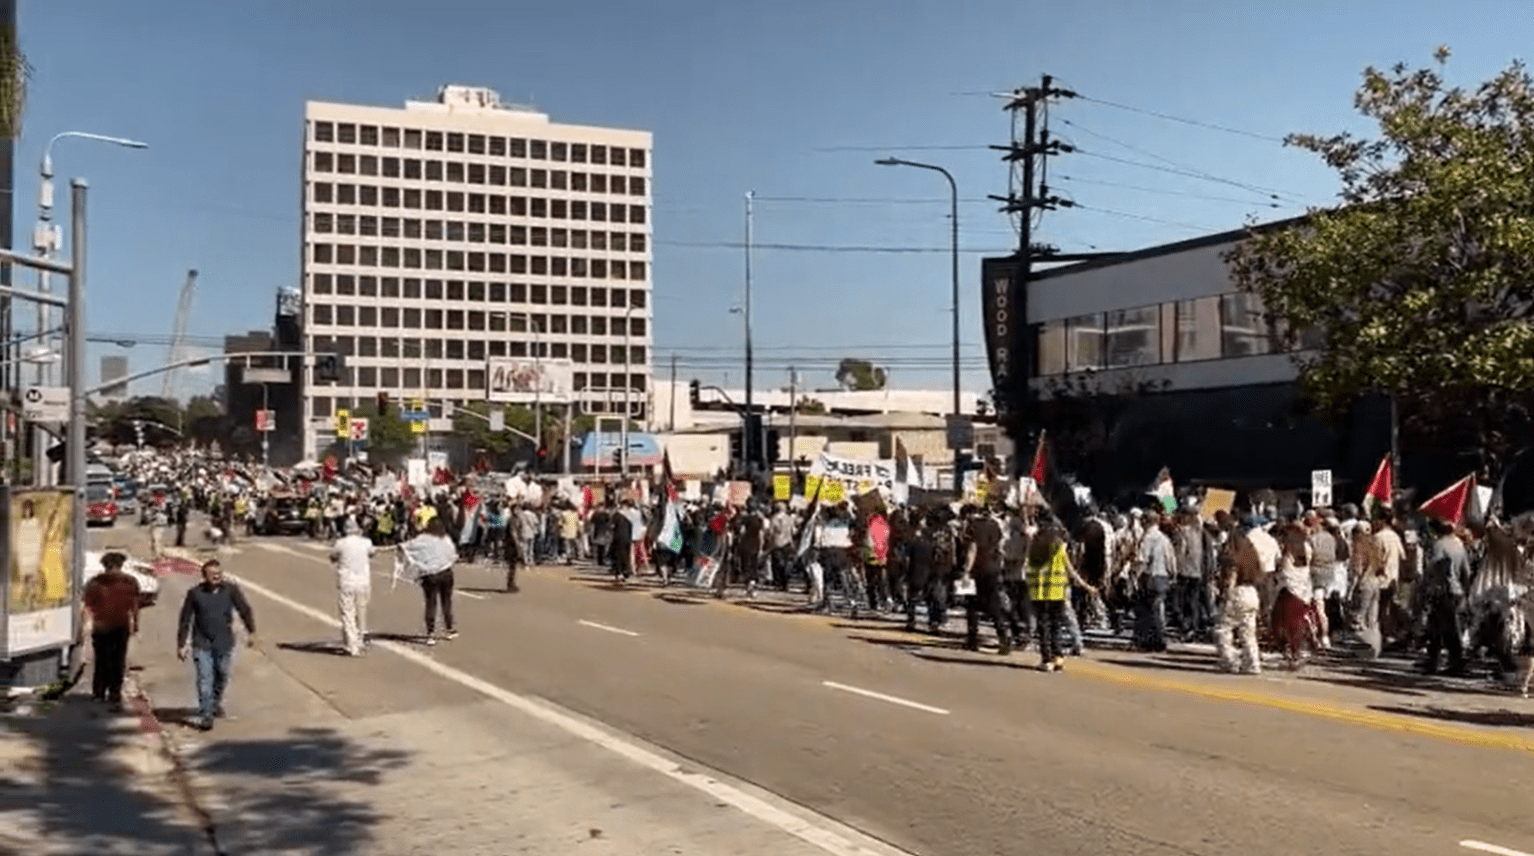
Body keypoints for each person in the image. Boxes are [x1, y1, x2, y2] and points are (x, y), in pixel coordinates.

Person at [176, 560, 257, 731]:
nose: (216, 576)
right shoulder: (195, 593)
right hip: (201, 642)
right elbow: (185, 619)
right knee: (204, 679)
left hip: (224, 642)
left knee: (222, 674)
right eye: (212, 574)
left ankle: (214, 704)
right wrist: (182, 644)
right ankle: (206, 715)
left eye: (218, 573)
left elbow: (244, 610)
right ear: (204, 576)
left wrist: (252, 632)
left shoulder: (230, 590)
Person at [82, 552, 141, 710]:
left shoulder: (95, 582)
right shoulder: (130, 582)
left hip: (101, 626)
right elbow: (134, 606)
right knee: (118, 660)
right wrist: (134, 624)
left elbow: (88, 605)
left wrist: (88, 624)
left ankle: (99, 693)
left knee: (102, 659)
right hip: (120, 626)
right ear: (121, 565)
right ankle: (115, 694)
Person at [400, 518, 459, 645]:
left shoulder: (422, 539)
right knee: (446, 602)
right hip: (446, 573)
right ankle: (449, 629)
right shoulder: (445, 539)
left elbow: (408, 547)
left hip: (430, 575)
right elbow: (453, 554)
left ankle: (430, 634)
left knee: (431, 604)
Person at [1027, 523, 1072, 672]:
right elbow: (1069, 570)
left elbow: (1028, 569)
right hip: (1057, 593)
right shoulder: (1060, 549)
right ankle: (1058, 657)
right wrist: (1087, 586)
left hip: (1040, 593)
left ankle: (1046, 659)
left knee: (1044, 626)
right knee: (1056, 625)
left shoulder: (1034, 549)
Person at [330, 519, 376, 656]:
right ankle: (360, 639)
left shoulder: (340, 543)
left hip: (347, 582)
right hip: (363, 582)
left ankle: (352, 644)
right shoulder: (366, 542)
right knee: (361, 612)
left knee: (348, 613)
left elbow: (332, 557)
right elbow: (373, 553)